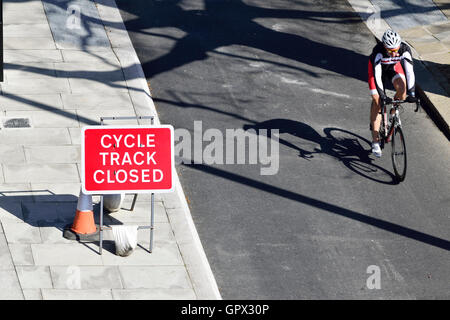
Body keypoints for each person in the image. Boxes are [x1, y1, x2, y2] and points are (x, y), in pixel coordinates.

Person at [368, 29, 417, 157]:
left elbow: (410, 72)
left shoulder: (404, 49)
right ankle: (375, 141)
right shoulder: (378, 52)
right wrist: (383, 96)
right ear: (385, 47)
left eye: (396, 50)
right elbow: (378, 77)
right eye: (391, 51)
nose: (395, 53)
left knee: (403, 90)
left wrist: (412, 94)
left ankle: (393, 113)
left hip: (393, 68)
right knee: (377, 100)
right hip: (376, 71)